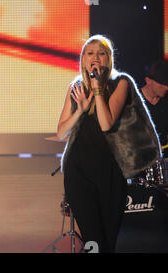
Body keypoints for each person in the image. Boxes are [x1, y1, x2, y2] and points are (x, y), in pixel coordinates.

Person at [57, 35, 161, 252]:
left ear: (108, 58)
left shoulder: (122, 83)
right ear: (83, 59)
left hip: (110, 173)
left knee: (107, 240)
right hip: (79, 172)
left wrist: (97, 89)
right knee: (93, 239)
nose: (95, 58)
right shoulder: (75, 87)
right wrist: (81, 111)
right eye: (90, 53)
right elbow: (61, 132)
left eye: (101, 53)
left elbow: (106, 124)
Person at [141, 60, 168, 156]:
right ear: (148, 80)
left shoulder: (165, 103)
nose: (166, 88)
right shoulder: (134, 102)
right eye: (161, 84)